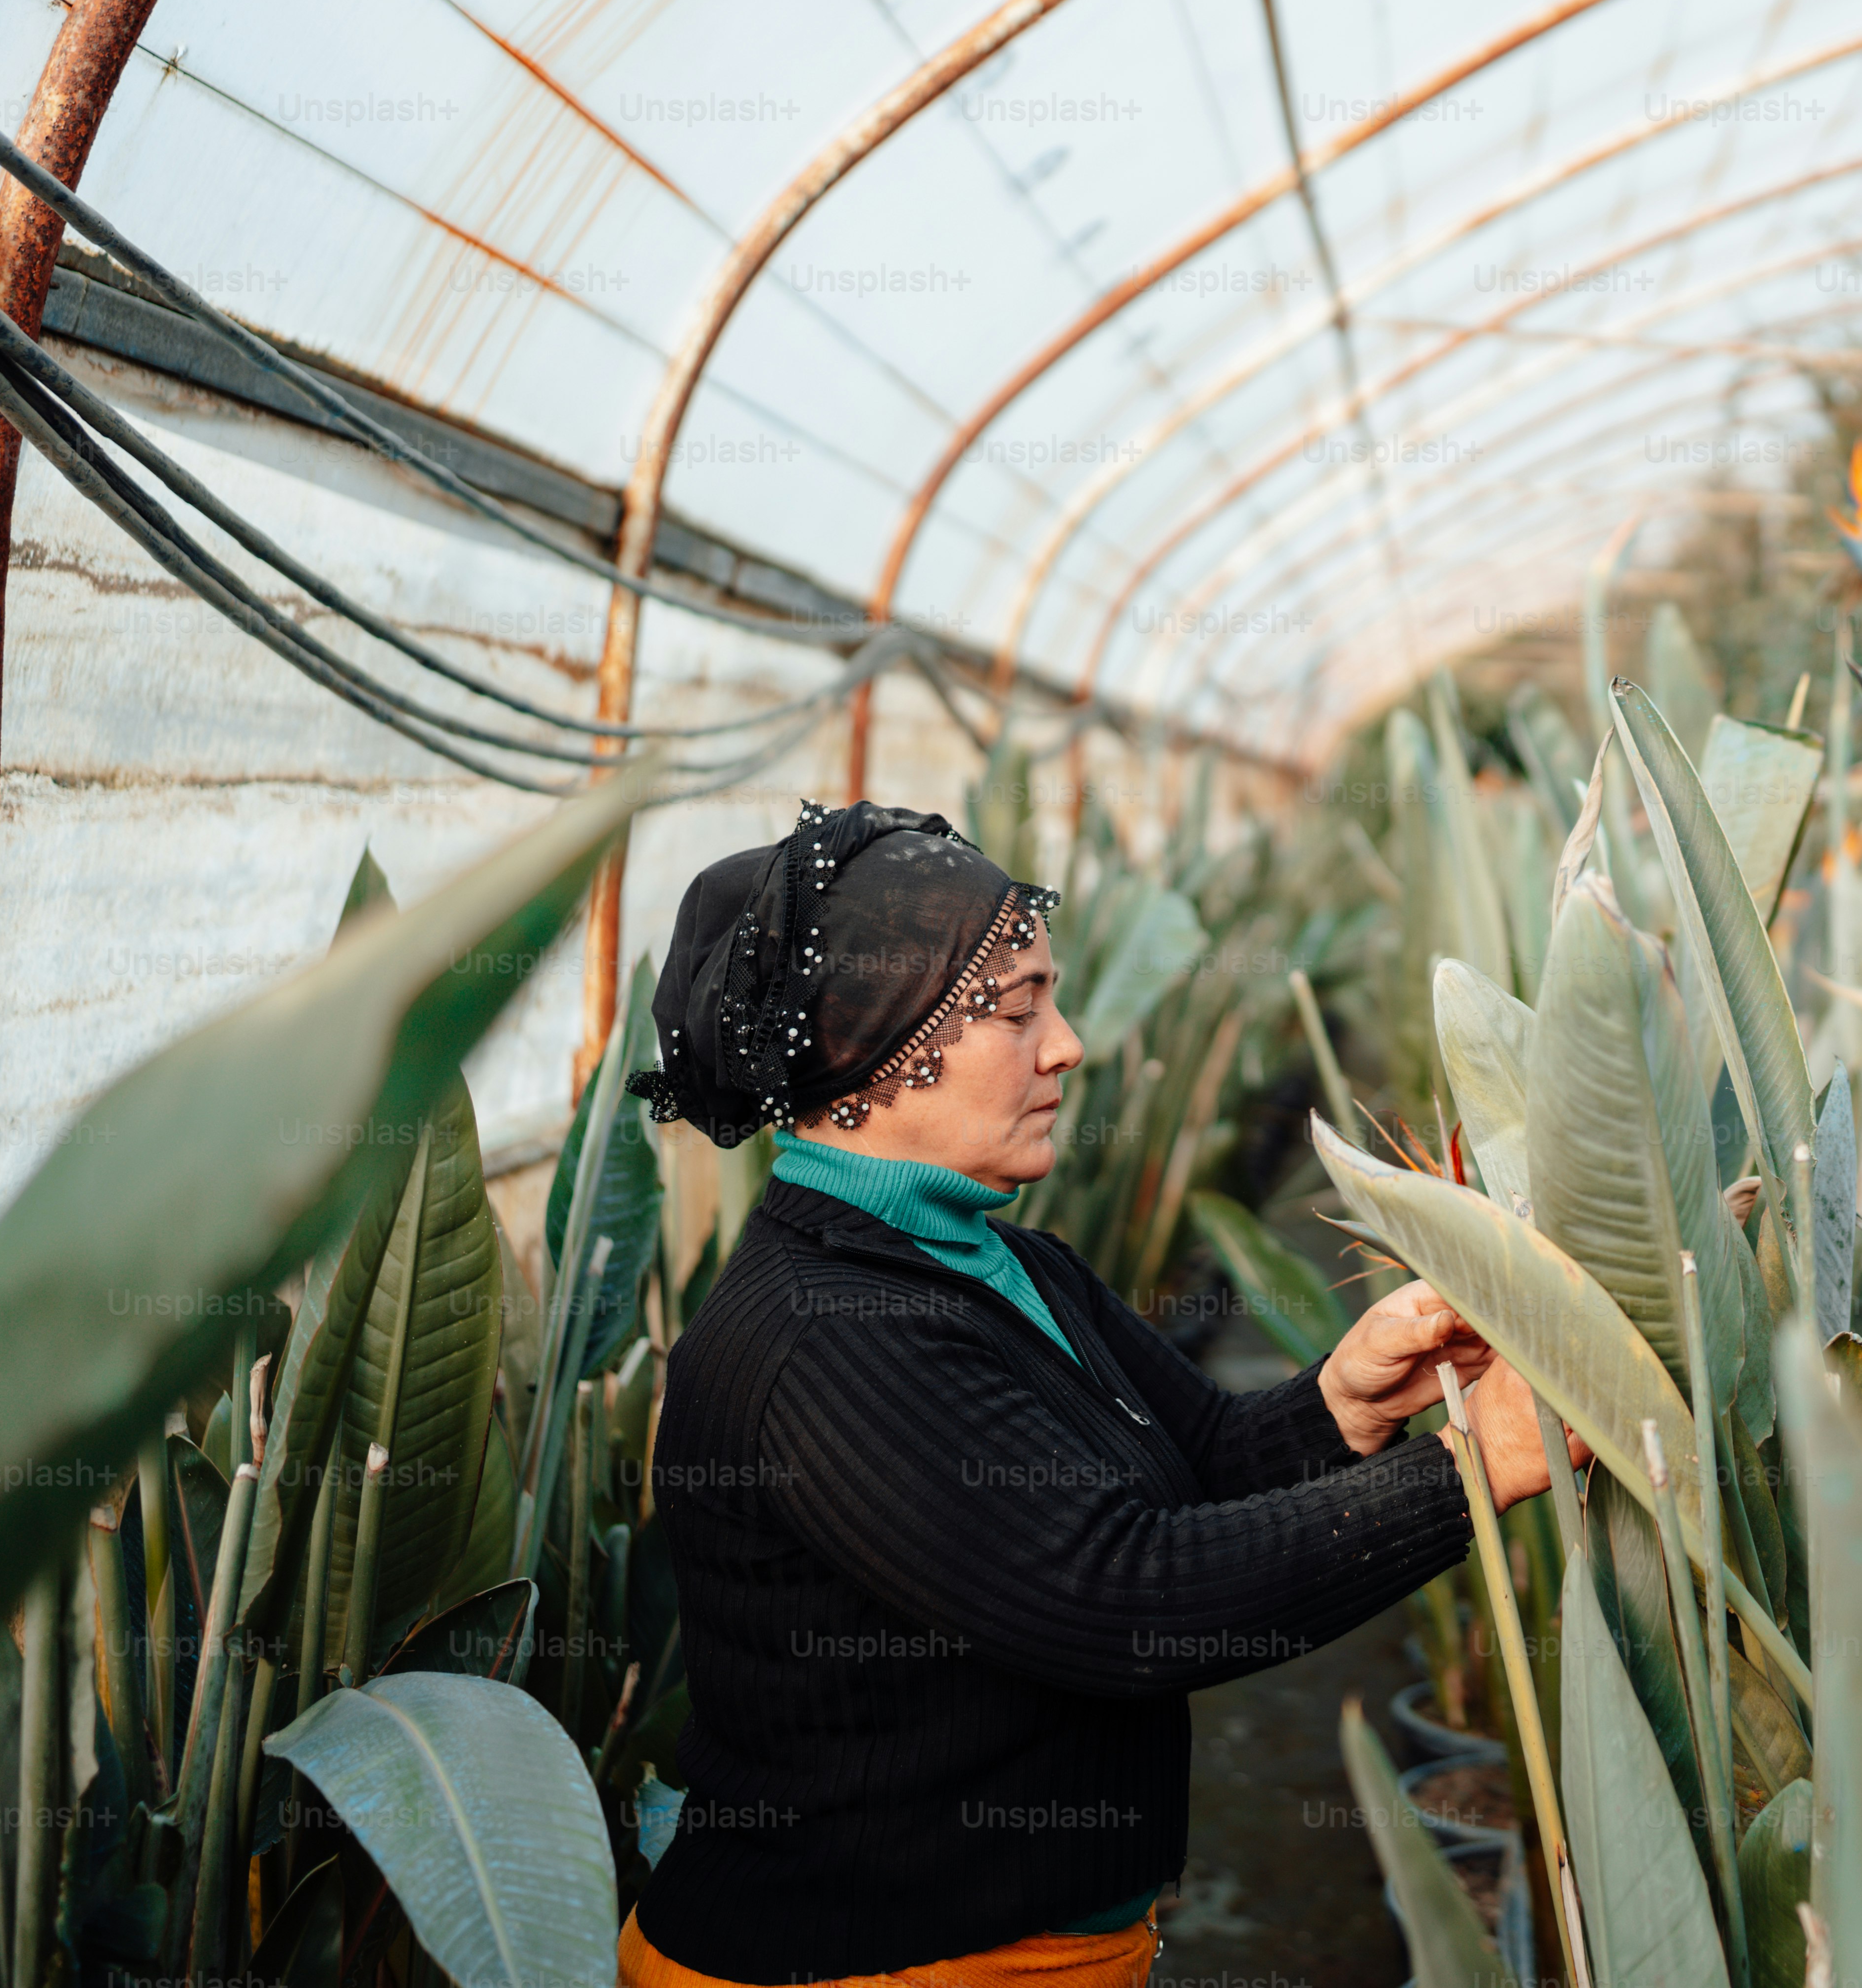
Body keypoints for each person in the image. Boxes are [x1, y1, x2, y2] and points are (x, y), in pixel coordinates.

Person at [614, 799, 1570, 1988]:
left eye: (1050, 1002)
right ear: (873, 1047)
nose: (1065, 1044)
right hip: (868, 1962)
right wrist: (1473, 1469)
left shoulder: (1007, 1263)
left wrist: (1350, 1401)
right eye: (1018, 1012)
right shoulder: (823, 1336)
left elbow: (1201, 1461)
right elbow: (1127, 1601)